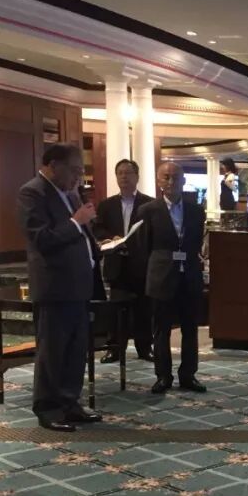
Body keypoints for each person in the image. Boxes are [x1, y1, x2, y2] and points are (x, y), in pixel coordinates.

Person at [17, 143, 102, 432]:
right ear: (54, 165)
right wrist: (76, 222)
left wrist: (97, 245)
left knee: (75, 351)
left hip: (79, 285)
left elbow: (79, 234)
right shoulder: (33, 193)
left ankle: (69, 402)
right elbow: (42, 239)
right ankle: (48, 408)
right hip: (54, 286)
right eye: (74, 170)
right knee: (53, 351)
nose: (79, 177)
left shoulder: (70, 193)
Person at [139, 161, 207, 395]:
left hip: (189, 275)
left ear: (184, 181)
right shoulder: (148, 210)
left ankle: (188, 375)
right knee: (161, 330)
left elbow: (196, 243)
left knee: (190, 328)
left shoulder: (196, 210)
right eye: (166, 177)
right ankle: (163, 376)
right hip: (161, 276)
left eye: (176, 177)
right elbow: (144, 247)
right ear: (159, 181)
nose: (171, 182)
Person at [93, 158, 155, 363]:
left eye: (128, 173)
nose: (124, 177)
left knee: (143, 308)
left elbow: (153, 231)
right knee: (116, 309)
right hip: (116, 262)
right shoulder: (106, 205)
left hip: (141, 263)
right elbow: (98, 229)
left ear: (137, 176)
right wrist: (111, 238)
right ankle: (115, 349)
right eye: (120, 173)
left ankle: (144, 347)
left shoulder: (149, 204)